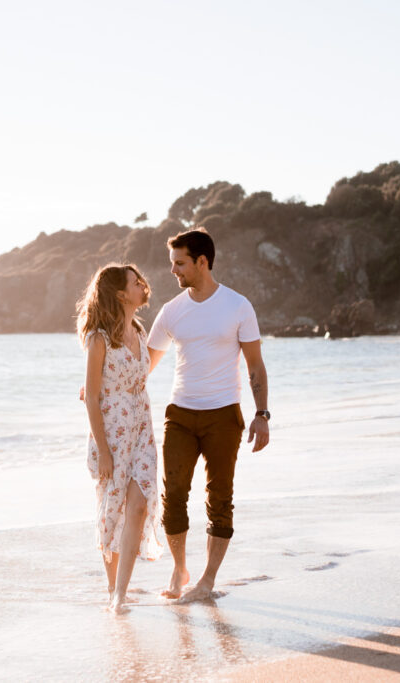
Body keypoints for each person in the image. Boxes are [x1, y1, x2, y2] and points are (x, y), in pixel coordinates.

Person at [147, 228, 270, 603]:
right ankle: (179, 567)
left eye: (180, 263)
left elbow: (255, 366)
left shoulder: (237, 306)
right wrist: (102, 386)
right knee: (174, 496)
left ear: (202, 262)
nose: (174, 271)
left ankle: (207, 580)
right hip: (180, 414)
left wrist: (261, 414)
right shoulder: (172, 311)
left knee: (219, 498)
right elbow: (143, 365)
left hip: (223, 415)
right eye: (173, 264)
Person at [77, 263, 163, 613]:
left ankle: (121, 593)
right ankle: (112, 588)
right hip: (111, 433)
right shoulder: (98, 338)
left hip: (142, 427)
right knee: (112, 510)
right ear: (120, 293)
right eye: (135, 282)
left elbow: (139, 376)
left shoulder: (140, 332)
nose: (143, 284)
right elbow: (94, 399)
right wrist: (104, 450)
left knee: (139, 505)